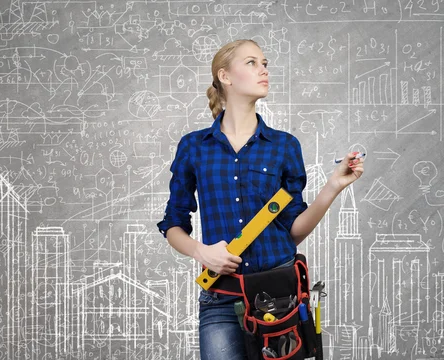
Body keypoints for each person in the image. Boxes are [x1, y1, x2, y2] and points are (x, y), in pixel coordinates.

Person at [156, 39, 365, 360]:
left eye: (264, 63)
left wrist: (334, 186)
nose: (264, 69)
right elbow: (173, 223)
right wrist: (202, 252)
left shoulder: (284, 146)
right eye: (252, 62)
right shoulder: (194, 147)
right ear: (225, 76)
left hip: (281, 297)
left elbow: (293, 230)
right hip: (221, 299)